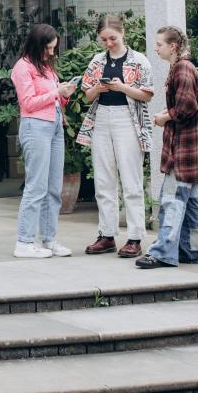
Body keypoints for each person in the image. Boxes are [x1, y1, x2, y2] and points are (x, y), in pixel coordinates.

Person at [137, 25, 198, 269]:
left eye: (159, 44)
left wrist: (165, 117)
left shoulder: (182, 68)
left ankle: (163, 252)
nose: (155, 48)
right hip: (193, 147)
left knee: (171, 199)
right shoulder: (185, 66)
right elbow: (188, 105)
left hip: (183, 148)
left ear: (172, 46)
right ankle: (194, 251)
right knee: (191, 201)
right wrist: (168, 113)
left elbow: (186, 108)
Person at [75, 15, 155, 259]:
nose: (108, 43)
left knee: (131, 180)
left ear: (123, 34)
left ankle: (135, 237)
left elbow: (147, 94)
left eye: (113, 38)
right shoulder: (97, 60)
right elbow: (87, 94)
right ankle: (107, 234)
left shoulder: (139, 60)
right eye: (104, 39)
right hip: (102, 118)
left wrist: (121, 87)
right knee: (103, 179)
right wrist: (97, 89)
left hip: (127, 119)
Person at [10, 23, 78, 258]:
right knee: (36, 186)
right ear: (37, 44)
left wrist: (64, 94)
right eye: (48, 47)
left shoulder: (46, 67)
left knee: (53, 187)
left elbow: (52, 99)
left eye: (53, 48)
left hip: (55, 125)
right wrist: (56, 92)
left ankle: (49, 239)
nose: (51, 52)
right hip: (35, 126)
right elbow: (28, 102)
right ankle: (24, 241)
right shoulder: (23, 67)